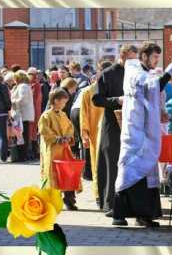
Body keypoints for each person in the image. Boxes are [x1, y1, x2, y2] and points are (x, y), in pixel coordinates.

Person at [112, 41, 172, 227]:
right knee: (130, 169)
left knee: (147, 171)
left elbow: (154, 89)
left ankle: (144, 215)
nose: (157, 61)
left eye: (159, 57)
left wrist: (161, 110)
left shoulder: (146, 73)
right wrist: (171, 69)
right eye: (155, 57)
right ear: (143, 56)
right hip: (134, 132)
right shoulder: (134, 70)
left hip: (146, 131)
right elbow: (152, 84)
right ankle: (119, 215)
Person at [92, 44, 136, 213]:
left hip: (131, 124)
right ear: (123, 55)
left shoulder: (135, 74)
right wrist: (116, 100)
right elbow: (96, 100)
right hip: (112, 125)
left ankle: (130, 204)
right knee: (112, 164)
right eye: (131, 58)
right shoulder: (107, 74)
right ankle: (110, 203)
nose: (134, 62)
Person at [38, 88, 77, 210]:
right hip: (52, 151)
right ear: (55, 101)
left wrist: (68, 137)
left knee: (67, 174)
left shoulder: (63, 114)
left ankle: (69, 200)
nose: (65, 105)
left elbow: (70, 127)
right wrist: (57, 138)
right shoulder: (46, 116)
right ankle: (53, 200)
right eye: (63, 102)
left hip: (64, 150)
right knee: (52, 174)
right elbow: (44, 131)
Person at [80, 60, 112, 208]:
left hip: (111, 131)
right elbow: (84, 114)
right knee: (96, 164)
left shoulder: (116, 89)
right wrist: (84, 133)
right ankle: (99, 194)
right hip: (95, 133)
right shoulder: (88, 92)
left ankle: (110, 194)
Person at [11, 70, 35, 162]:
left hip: (22, 114)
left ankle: (22, 156)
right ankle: (21, 155)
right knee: (21, 135)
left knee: (22, 135)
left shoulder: (23, 86)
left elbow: (22, 100)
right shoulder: (22, 86)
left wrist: (12, 102)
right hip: (21, 114)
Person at [27, 67, 43, 160]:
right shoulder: (33, 84)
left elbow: (34, 99)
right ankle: (33, 151)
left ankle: (33, 152)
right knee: (32, 133)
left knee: (32, 132)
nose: (32, 76)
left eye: (33, 74)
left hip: (34, 111)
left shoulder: (35, 85)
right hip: (34, 111)